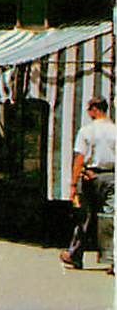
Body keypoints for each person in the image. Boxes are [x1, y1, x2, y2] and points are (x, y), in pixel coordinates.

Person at [63, 96, 117, 271]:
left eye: (88, 109)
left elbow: (80, 158)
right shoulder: (115, 130)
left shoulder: (87, 131)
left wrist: (73, 183)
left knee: (84, 217)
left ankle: (75, 255)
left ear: (94, 109)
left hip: (91, 176)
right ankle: (112, 259)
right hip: (112, 177)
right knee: (109, 217)